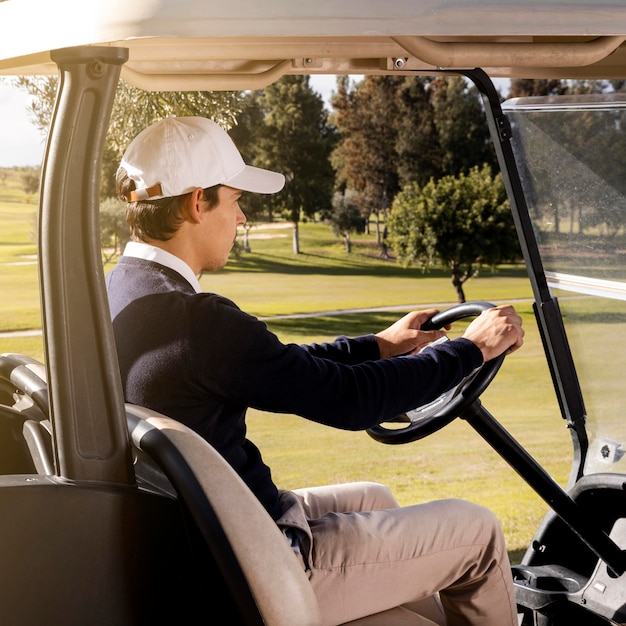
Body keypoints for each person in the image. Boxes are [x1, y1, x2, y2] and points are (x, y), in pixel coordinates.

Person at [106, 115, 524, 626]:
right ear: (199, 202)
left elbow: (280, 364)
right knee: (478, 532)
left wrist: (379, 345)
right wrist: (470, 350)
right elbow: (350, 400)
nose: (242, 220)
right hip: (261, 567)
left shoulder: (123, 293)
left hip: (217, 537)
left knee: (376, 498)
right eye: (237, 201)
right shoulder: (197, 322)